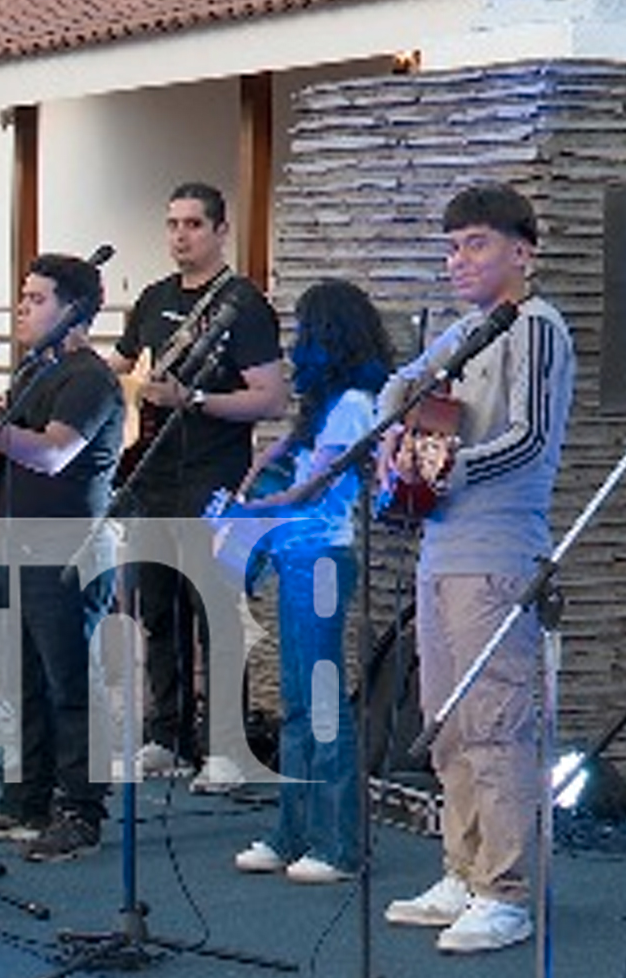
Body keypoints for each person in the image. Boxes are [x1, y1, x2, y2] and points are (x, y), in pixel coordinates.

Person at [377, 182, 575, 953]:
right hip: (441, 547)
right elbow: (401, 388)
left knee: (497, 721)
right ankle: (463, 869)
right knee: (449, 720)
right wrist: (402, 436)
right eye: (453, 246)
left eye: (477, 244)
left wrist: (442, 464)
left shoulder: (535, 328)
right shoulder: (469, 328)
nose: (460, 258)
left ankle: (509, 889)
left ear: (522, 250)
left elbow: (527, 440)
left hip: (496, 548)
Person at [109, 181, 288, 787]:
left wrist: (197, 398)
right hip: (148, 473)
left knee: (214, 608)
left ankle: (227, 746)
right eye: (172, 224)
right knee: (155, 609)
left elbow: (270, 397)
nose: (179, 236)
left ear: (220, 231)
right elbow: (126, 369)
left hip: (211, 475)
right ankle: (168, 735)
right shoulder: (154, 297)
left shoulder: (243, 303)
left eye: (192, 224)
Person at [0, 253, 123, 860]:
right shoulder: (34, 373)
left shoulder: (89, 379)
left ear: (73, 310)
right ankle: (25, 799)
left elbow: (53, 454)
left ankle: (81, 808)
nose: (23, 310)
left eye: (37, 300)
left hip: (68, 544)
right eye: (21, 298)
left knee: (70, 681)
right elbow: (7, 451)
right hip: (19, 540)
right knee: (21, 679)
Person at [227, 279, 394, 884]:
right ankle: (293, 831)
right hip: (301, 555)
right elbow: (293, 473)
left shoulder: (353, 404)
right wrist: (262, 469)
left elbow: (316, 488)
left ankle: (339, 843)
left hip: (323, 556)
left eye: (303, 330)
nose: (296, 346)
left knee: (321, 702)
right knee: (297, 702)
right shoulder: (326, 407)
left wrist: (248, 514)